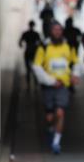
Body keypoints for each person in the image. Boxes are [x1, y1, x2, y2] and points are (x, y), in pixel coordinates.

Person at [32, 21, 80, 154]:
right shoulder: (44, 47)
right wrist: (50, 81)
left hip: (63, 86)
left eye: (60, 30)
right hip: (48, 86)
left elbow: (75, 62)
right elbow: (36, 66)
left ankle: (56, 142)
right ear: (50, 31)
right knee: (49, 117)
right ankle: (50, 129)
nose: (58, 32)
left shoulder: (68, 45)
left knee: (60, 112)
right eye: (55, 30)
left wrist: (75, 75)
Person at [19, 20, 42, 90]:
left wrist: (24, 45)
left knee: (28, 69)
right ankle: (35, 84)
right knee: (35, 68)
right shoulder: (36, 34)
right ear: (34, 26)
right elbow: (40, 43)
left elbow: (20, 43)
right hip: (34, 52)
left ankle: (29, 84)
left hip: (28, 51)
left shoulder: (26, 33)